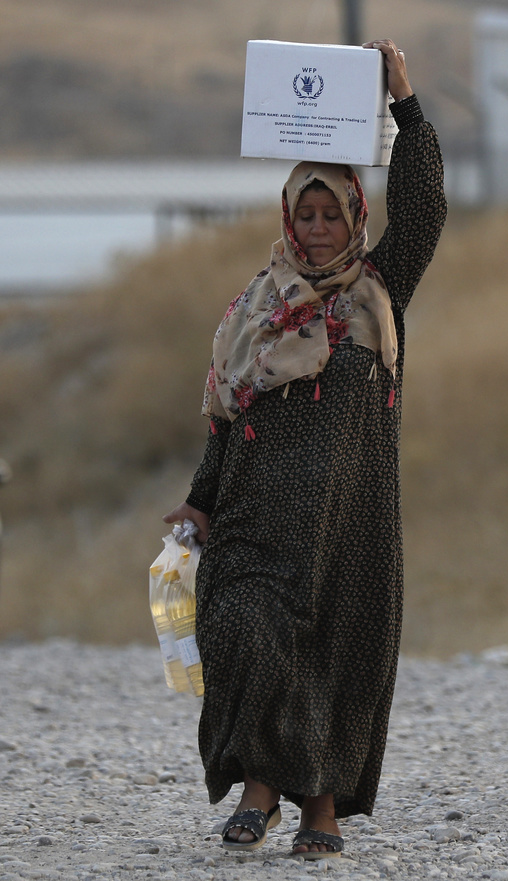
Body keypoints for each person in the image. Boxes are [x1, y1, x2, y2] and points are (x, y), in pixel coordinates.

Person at [162, 40, 447, 858]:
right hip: (254, 515)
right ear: (289, 218)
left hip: (347, 522)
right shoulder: (254, 308)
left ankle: (316, 805)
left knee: (330, 655)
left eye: (333, 214)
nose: (319, 231)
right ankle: (258, 783)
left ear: (355, 215)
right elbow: (227, 416)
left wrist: (405, 106)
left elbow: (424, 210)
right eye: (307, 215)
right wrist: (200, 499)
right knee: (243, 625)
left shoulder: (376, 292)